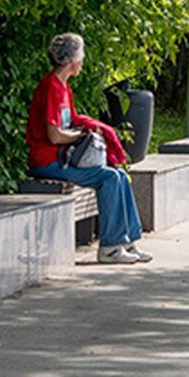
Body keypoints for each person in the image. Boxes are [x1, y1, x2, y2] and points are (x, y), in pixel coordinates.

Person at [26, 33, 149, 265]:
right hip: (49, 161)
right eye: (81, 56)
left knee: (119, 175)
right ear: (72, 60)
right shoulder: (51, 87)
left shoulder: (63, 87)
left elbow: (70, 120)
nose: (82, 61)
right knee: (110, 178)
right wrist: (81, 136)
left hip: (62, 158)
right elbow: (54, 135)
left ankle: (129, 240)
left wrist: (91, 128)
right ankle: (110, 248)